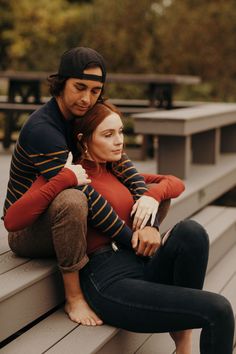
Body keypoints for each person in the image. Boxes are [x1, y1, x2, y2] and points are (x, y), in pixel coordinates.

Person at [4, 101, 234, 354]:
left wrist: (152, 196)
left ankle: (182, 344)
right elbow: (13, 220)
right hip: (109, 281)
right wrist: (64, 179)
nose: (119, 141)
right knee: (218, 310)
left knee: (192, 231)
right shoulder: (68, 174)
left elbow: (174, 183)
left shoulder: (117, 171)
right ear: (83, 140)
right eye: (108, 134)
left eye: (121, 132)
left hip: (140, 261)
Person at [2, 47, 177, 326]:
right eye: (79, 87)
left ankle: (122, 257)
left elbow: (123, 165)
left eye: (95, 91)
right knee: (73, 199)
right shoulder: (43, 129)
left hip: (77, 219)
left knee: (148, 200)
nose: (86, 99)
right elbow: (86, 196)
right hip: (30, 228)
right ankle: (75, 296)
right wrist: (130, 240)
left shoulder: (86, 114)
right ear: (61, 84)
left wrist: (149, 216)